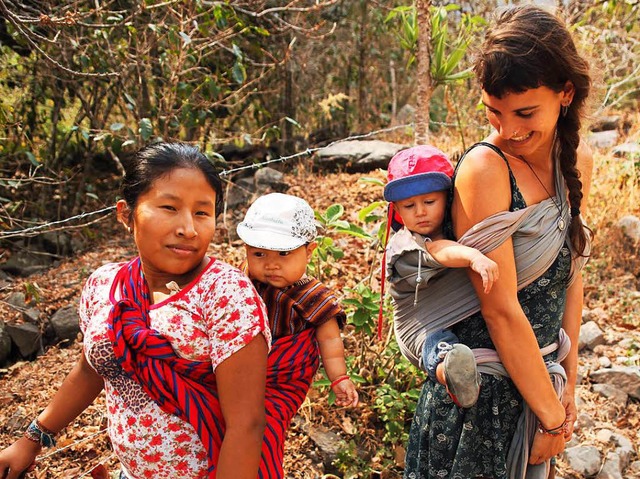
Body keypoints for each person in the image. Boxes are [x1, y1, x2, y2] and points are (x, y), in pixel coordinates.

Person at [398, 5, 593, 479]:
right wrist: (550, 415)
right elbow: (499, 308)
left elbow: (571, 278)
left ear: (565, 93)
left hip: (539, 384)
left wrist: (567, 388)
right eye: (493, 112)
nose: (508, 129)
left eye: (525, 112)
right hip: (480, 403)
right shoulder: (487, 169)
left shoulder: (578, 161)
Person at [0, 143, 271, 479]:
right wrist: (32, 439)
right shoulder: (105, 285)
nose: (189, 228)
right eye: (169, 207)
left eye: (202, 212)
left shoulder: (225, 294)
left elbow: (246, 423)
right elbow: (93, 367)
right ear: (126, 214)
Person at [236, 192, 359, 478]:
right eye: (259, 254)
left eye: (283, 253)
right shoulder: (241, 280)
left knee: (263, 431)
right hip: (240, 373)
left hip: (280, 380)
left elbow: (329, 340)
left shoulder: (312, 296)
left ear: (309, 250)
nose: (271, 264)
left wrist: (338, 377)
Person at [383, 145, 498, 408]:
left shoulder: (459, 227)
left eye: (429, 202)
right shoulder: (404, 242)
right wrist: (473, 257)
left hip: (453, 320)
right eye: (409, 206)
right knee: (441, 345)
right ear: (397, 212)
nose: (420, 212)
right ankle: (449, 373)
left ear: (448, 199)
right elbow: (438, 250)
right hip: (421, 329)